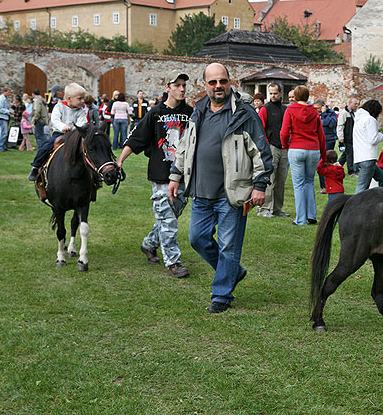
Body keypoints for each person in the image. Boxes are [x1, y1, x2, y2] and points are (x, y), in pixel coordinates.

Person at [168, 62, 273, 313]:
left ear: (230, 82)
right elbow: (185, 145)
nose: (218, 86)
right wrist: (176, 174)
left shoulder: (244, 113)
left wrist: (259, 185)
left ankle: (221, 295)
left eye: (222, 81)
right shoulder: (199, 110)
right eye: (212, 82)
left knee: (228, 245)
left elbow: (261, 151)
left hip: (232, 193)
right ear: (204, 85)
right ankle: (233, 272)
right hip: (201, 191)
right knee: (197, 239)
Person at [117, 71, 194, 278]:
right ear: (167, 87)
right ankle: (173, 262)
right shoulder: (156, 112)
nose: (182, 89)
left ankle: (149, 244)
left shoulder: (191, 113)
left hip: (184, 176)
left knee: (169, 217)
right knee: (168, 221)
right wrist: (120, 160)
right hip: (161, 174)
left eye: (184, 85)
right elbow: (137, 138)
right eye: (177, 85)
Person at [281, 85, 327, 226]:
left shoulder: (290, 110)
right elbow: (321, 134)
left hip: (296, 148)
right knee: (309, 182)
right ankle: (311, 215)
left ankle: (300, 219)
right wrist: (324, 155)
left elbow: (284, 132)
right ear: (307, 96)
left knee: (299, 184)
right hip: (313, 149)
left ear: (295, 96)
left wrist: (285, 146)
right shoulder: (314, 111)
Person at [28, 83, 88, 180]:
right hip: (60, 134)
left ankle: (94, 173)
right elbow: (55, 120)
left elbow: (82, 123)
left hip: (75, 135)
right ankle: (36, 166)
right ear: (69, 99)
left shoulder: (81, 111)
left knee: (89, 149)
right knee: (45, 147)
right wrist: (63, 126)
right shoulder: (59, 107)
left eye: (83, 98)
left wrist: (76, 129)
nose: (82, 101)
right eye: (80, 98)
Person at [257, 82, 290, 218]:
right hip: (271, 146)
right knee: (270, 179)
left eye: (275, 93)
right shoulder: (265, 109)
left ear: (281, 93)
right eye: (270, 93)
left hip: (284, 148)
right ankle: (265, 208)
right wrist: (265, 146)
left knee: (281, 180)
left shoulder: (285, 109)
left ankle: (277, 208)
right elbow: (260, 128)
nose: (273, 96)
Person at [352, 99, 383, 193]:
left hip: (360, 157)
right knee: (361, 188)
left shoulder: (358, 119)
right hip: (368, 157)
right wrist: (381, 135)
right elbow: (373, 139)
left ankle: (382, 200)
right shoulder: (370, 120)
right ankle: (353, 206)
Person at [314, 99, 338, 192]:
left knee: (326, 162)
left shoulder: (331, 113)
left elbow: (332, 124)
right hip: (318, 140)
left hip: (328, 140)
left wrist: (324, 114)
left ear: (323, 106)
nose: (317, 110)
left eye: (318, 108)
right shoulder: (315, 113)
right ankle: (323, 186)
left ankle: (328, 185)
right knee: (320, 163)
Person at [336, 97, 359, 175]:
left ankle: (337, 167)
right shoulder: (344, 113)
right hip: (347, 137)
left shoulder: (353, 113)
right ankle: (351, 171)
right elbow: (340, 125)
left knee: (345, 154)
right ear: (350, 103)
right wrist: (340, 137)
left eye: (357, 104)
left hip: (352, 137)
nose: (356, 105)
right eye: (355, 104)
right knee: (350, 154)